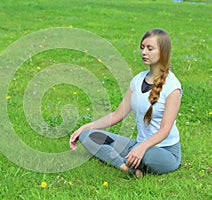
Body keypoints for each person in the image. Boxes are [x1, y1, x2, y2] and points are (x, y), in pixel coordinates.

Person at [69, 28, 182, 178]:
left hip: (164, 151)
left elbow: (165, 130)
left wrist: (142, 147)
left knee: (146, 155)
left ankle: (126, 159)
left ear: (163, 51)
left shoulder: (172, 86)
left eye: (150, 48)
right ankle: (125, 166)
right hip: (138, 145)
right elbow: (117, 115)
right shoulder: (137, 80)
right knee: (88, 136)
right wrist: (86, 127)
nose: (144, 52)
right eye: (142, 48)